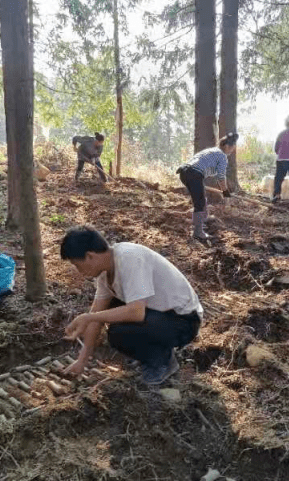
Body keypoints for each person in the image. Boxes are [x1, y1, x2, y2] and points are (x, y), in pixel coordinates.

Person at [60, 226, 203, 385]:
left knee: (119, 332)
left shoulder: (130, 258)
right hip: (160, 316)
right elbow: (95, 318)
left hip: (184, 321)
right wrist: (82, 361)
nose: (79, 271)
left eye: (77, 265)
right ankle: (153, 353)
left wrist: (88, 317)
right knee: (112, 317)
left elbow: (136, 312)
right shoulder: (105, 274)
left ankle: (162, 361)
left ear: (90, 256)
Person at [176, 132, 239, 239]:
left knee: (200, 198)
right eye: (232, 148)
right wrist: (225, 191)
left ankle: (202, 220)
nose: (232, 150)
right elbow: (221, 177)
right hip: (195, 174)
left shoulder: (211, 151)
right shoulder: (222, 156)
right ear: (227, 146)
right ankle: (198, 232)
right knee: (199, 203)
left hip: (184, 172)